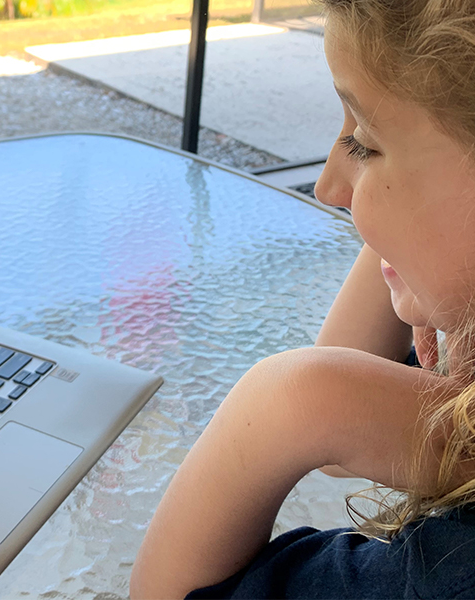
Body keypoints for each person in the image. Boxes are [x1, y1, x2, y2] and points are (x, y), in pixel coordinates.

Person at [129, 0, 475, 598]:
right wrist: (404, 236)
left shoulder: (445, 575)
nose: (329, 187)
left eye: (364, 142)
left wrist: (296, 396)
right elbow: (350, 440)